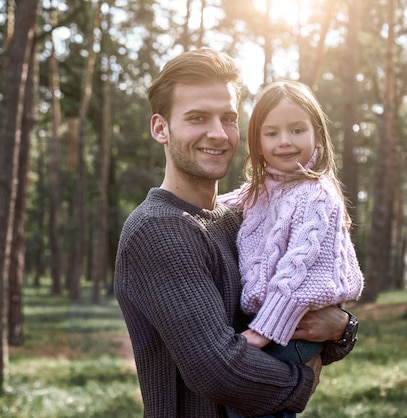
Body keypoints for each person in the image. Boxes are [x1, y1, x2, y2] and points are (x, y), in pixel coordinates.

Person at [114, 48, 358, 418]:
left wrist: (341, 327)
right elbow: (218, 370)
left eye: (228, 118)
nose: (218, 133)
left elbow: (300, 312)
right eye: (197, 118)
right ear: (160, 128)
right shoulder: (158, 229)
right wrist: (301, 383)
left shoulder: (238, 218)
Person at [219, 81, 364, 418]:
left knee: (251, 409)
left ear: (316, 133)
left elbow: (294, 282)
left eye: (296, 130)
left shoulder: (314, 194)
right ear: (257, 141)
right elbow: (221, 203)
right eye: (271, 133)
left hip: (288, 334)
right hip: (276, 328)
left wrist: (259, 334)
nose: (284, 141)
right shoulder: (265, 189)